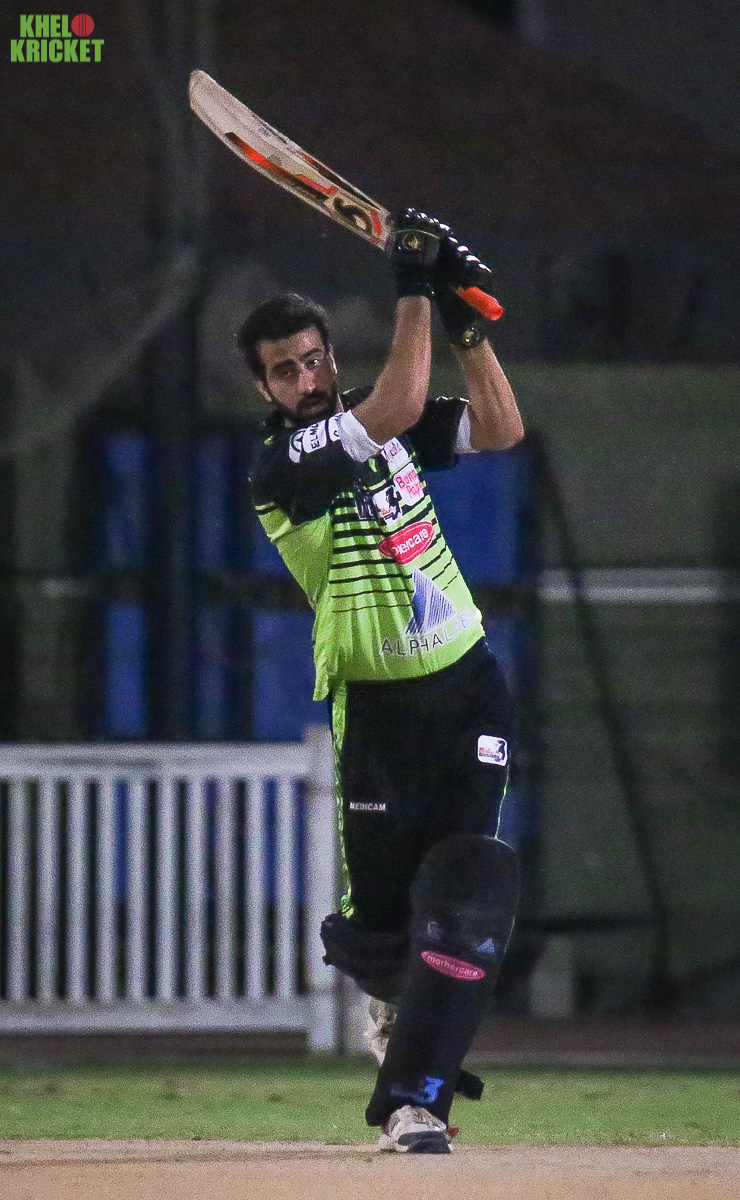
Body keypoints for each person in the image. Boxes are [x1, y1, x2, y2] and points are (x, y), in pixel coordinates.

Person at [239, 210, 525, 1154]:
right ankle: (394, 1014)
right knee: (384, 929)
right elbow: (396, 408)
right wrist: (413, 285)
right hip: (379, 711)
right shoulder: (284, 465)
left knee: (469, 886)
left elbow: (500, 427)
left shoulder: (376, 414)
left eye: (314, 359)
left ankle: (416, 1101)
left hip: (468, 685)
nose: (307, 379)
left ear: (331, 355)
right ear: (263, 388)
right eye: (285, 370)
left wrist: (467, 329)